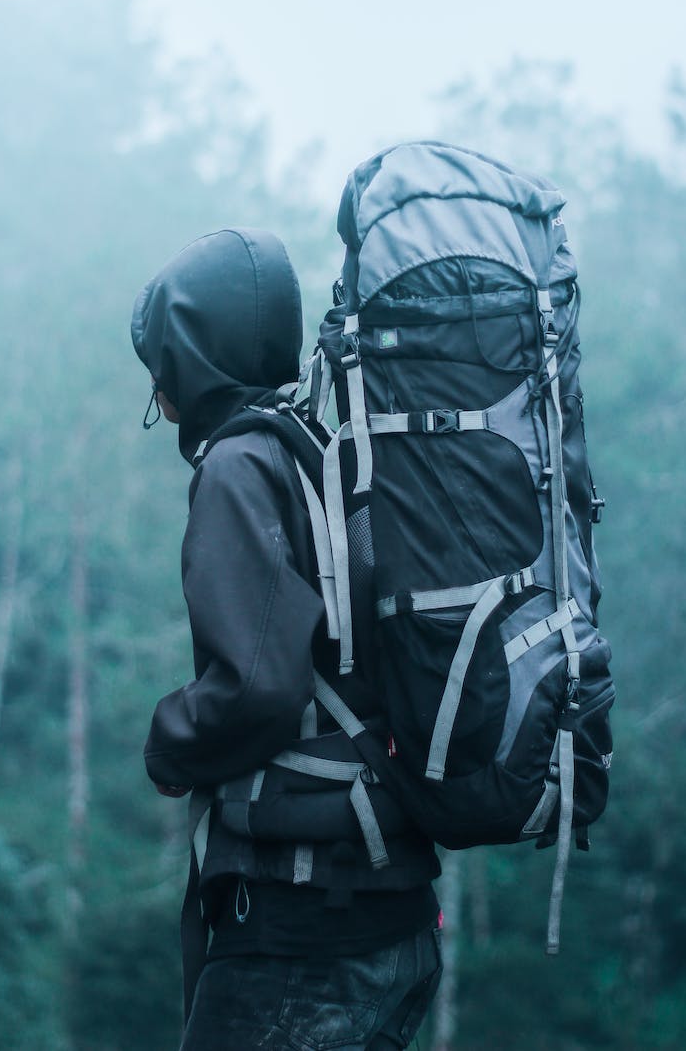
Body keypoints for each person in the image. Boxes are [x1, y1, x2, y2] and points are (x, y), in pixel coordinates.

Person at [131, 227, 442, 1051]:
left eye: (162, 366)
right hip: (390, 915)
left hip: (300, 932)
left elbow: (256, 688)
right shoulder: (326, 452)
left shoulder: (238, 467)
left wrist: (167, 746)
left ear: (192, 358)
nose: (159, 395)